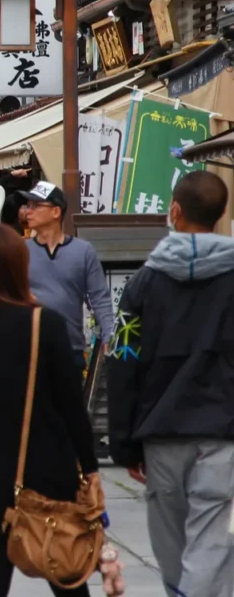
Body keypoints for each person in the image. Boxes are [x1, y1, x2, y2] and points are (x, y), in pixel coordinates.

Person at [0, 224, 99, 597]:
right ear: (18, 267)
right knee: (66, 576)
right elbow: (70, 405)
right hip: (44, 471)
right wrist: (90, 468)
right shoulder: (43, 323)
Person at [108, 171, 234, 597]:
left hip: (160, 432)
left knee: (170, 543)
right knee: (213, 539)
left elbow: (122, 359)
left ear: (174, 211)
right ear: (220, 215)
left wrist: (122, 439)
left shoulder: (143, 283)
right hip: (222, 431)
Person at [19, 182, 114, 360]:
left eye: (35, 205)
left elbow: (100, 298)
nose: (28, 211)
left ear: (56, 212)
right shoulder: (20, 251)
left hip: (71, 349)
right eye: (27, 205)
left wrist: (109, 333)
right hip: (29, 350)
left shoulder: (83, 251)